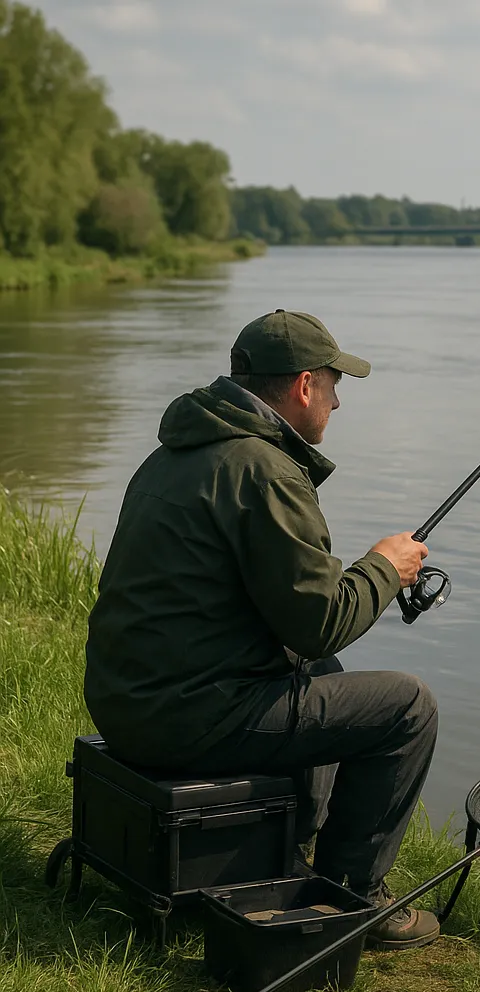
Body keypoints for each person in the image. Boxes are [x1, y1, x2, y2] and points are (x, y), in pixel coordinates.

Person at [84, 309, 440, 950]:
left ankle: (284, 849)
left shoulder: (177, 451)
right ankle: (357, 896)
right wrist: (385, 566)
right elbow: (321, 624)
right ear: (304, 386)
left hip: (124, 702)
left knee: (324, 679)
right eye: (334, 386)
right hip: (185, 719)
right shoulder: (265, 470)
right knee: (407, 706)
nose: (337, 402)